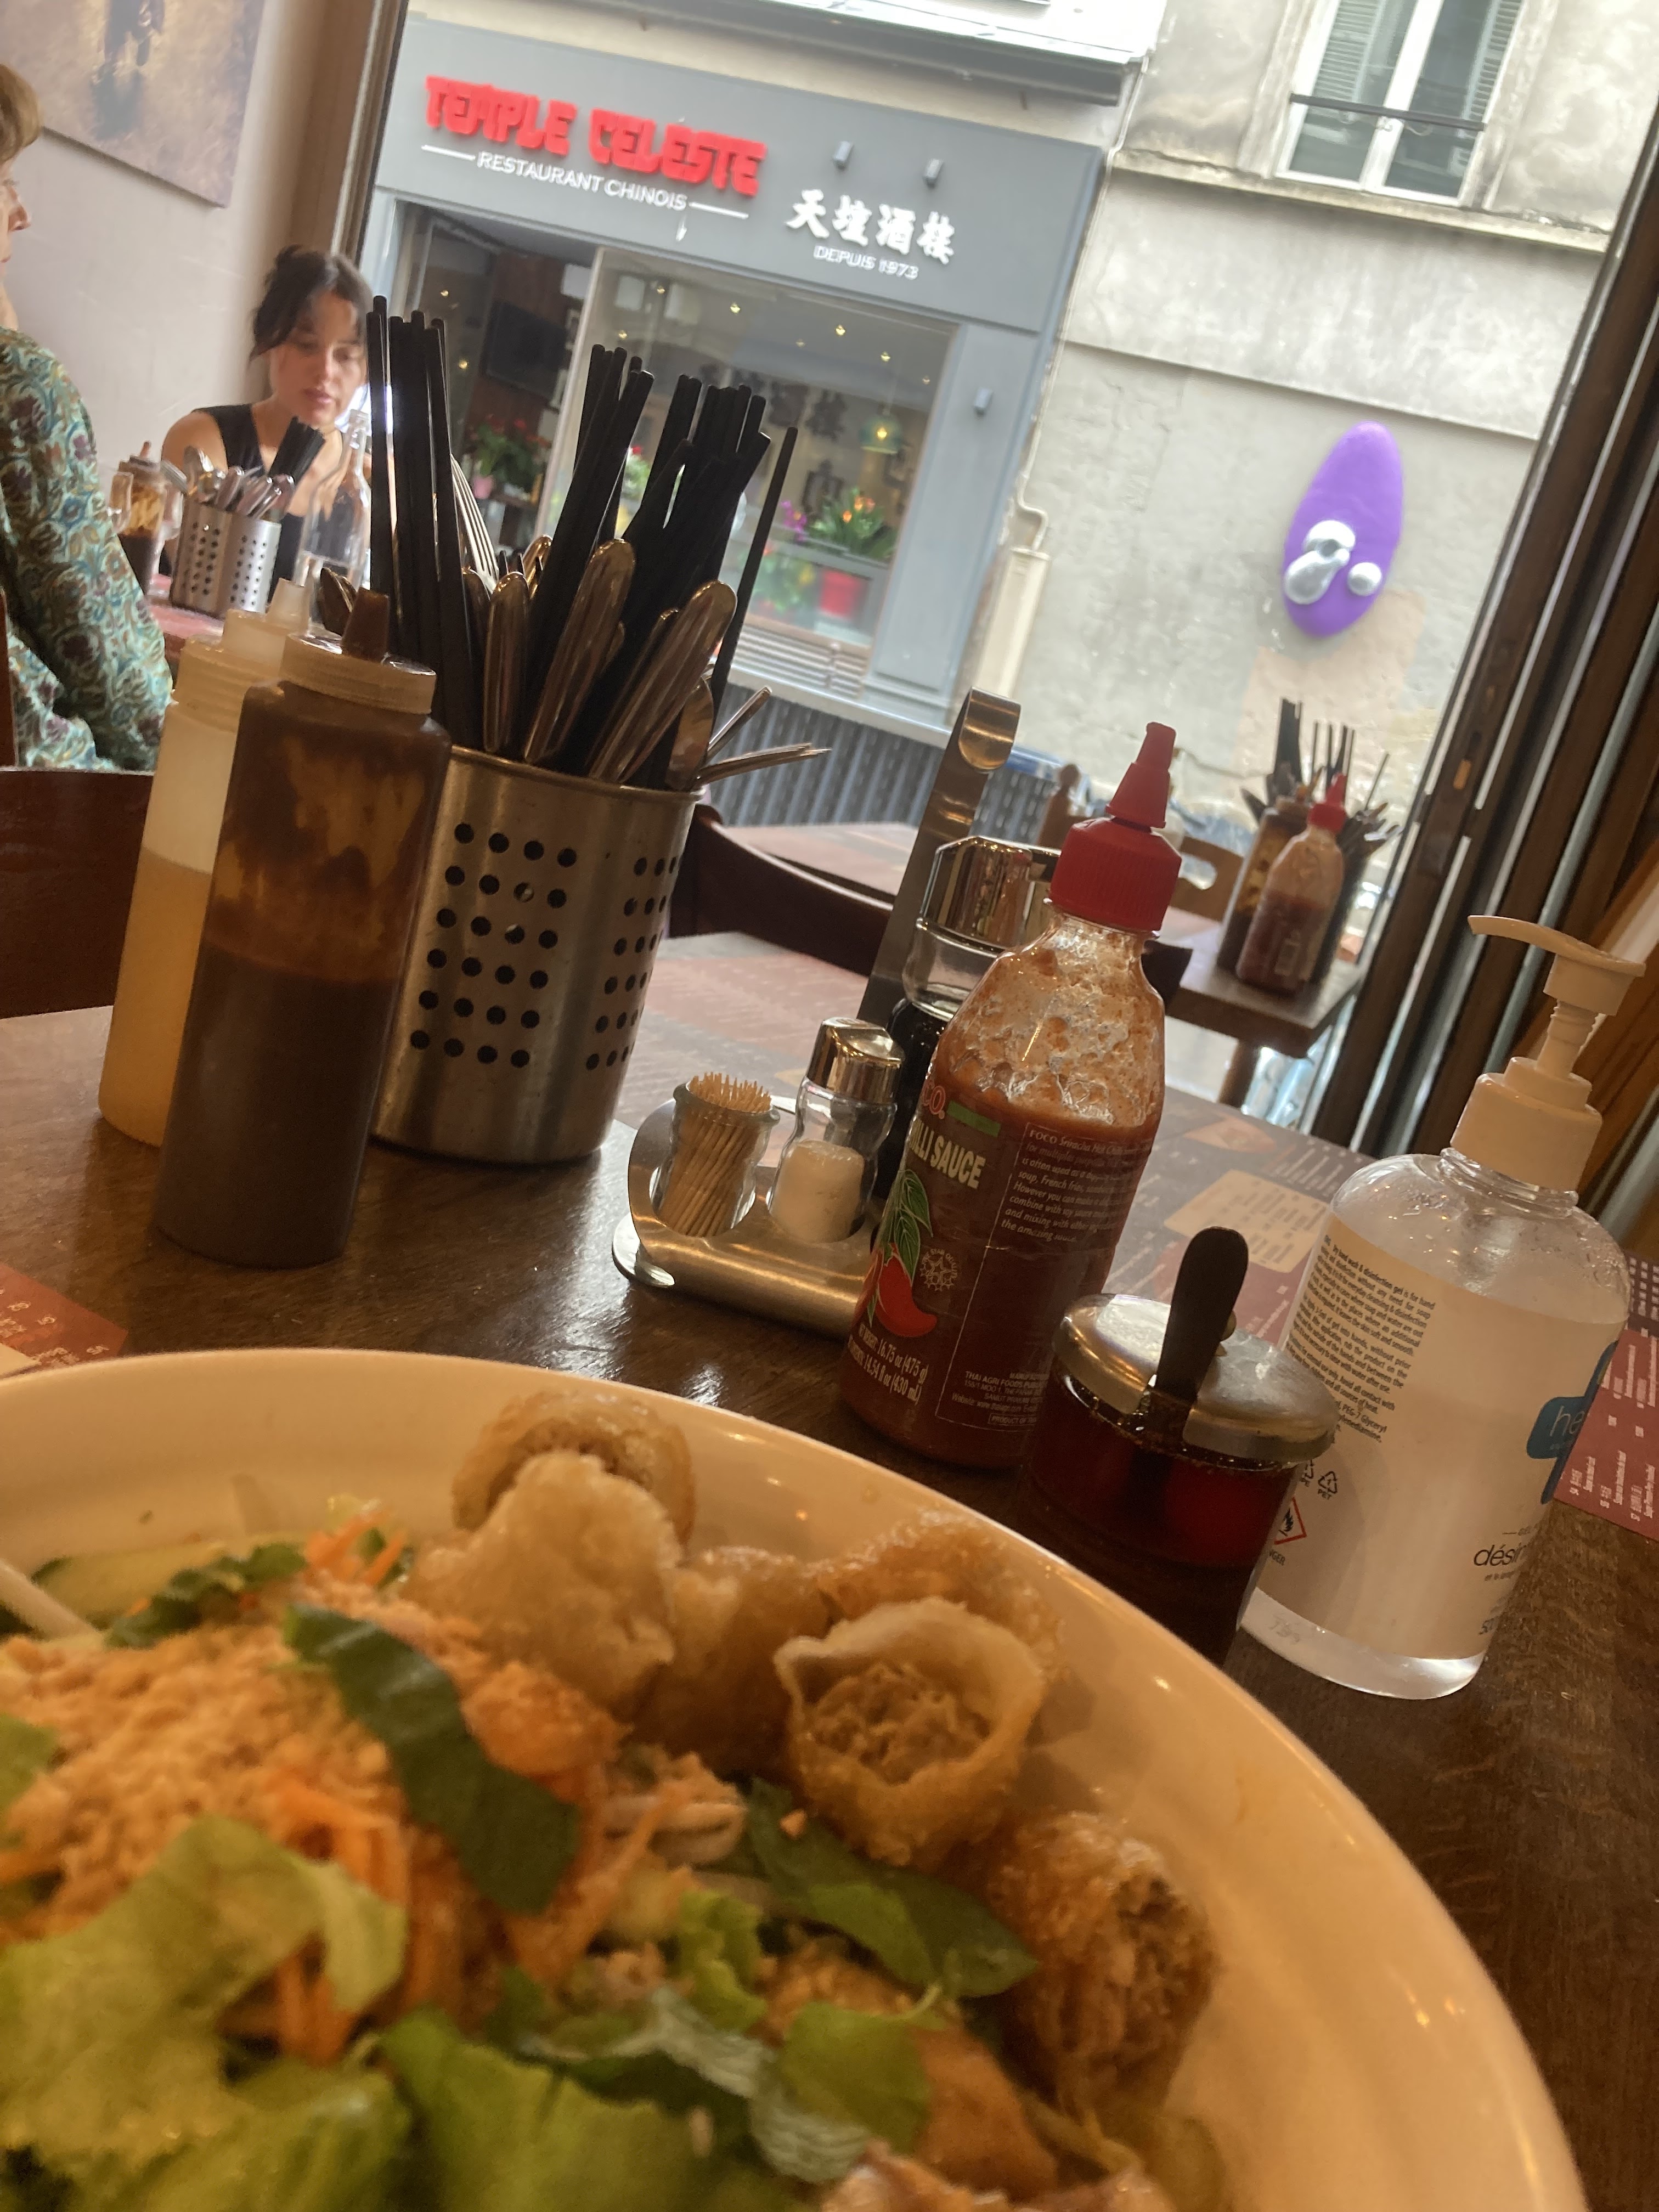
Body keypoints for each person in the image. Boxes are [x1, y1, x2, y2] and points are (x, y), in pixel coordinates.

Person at [0, 65, 169, 768]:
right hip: (41, 802)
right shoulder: (20, 387)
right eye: (6, 180)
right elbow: (111, 665)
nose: (21, 213)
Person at [162, 247, 370, 554]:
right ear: (267, 343)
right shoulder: (205, 440)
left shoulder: (366, 485)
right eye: (307, 345)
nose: (326, 371)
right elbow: (197, 567)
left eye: (345, 356)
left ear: (366, 372)